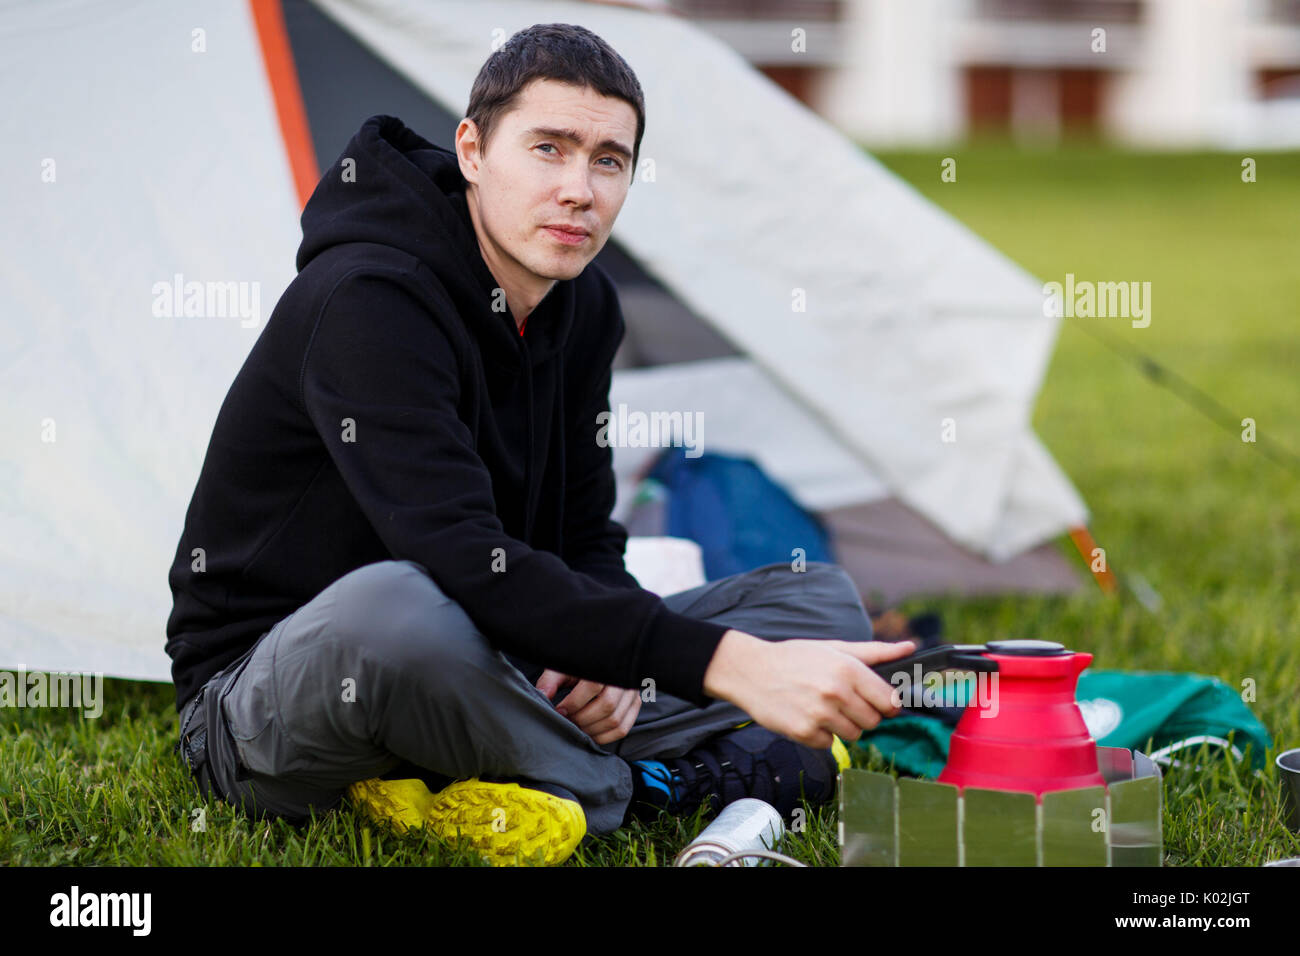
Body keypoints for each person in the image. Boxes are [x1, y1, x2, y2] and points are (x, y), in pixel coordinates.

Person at [166, 22, 913, 866]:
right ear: (474, 149)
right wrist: (723, 665)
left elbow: (585, 535)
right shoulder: (366, 299)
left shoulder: (583, 306)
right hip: (280, 698)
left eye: (608, 160)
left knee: (818, 606)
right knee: (397, 611)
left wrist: (613, 668)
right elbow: (456, 556)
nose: (578, 190)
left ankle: (487, 777)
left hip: (496, 654)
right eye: (548, 148)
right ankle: (645, 787)